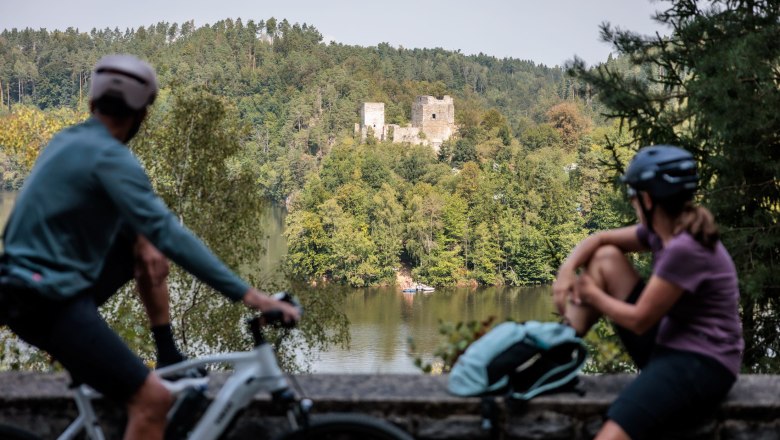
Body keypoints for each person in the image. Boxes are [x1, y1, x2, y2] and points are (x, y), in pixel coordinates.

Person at [0, 54, 300, 439]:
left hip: (28, 291)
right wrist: (252, 297)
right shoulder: (111, 158)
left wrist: (143, 239)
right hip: (49, 301)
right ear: (141, 113)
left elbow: (147, 237)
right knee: (153, 400)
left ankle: (167, 350)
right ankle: (159, 360)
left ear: (92, 103)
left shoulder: (68, 141)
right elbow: (170, 234)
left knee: (139, 243)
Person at [552, 145, 743, 440]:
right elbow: (600, 238)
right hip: (670, 343)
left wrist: (593, 295)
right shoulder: (661, 232)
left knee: (611, 435)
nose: (631, 202)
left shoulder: (685, 248)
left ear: (648, 198)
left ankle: (553, 354)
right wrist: (567, 269)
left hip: (702, 362)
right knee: (605, 258)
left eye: (633, 195)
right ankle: (556, 351)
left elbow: (640, 320)